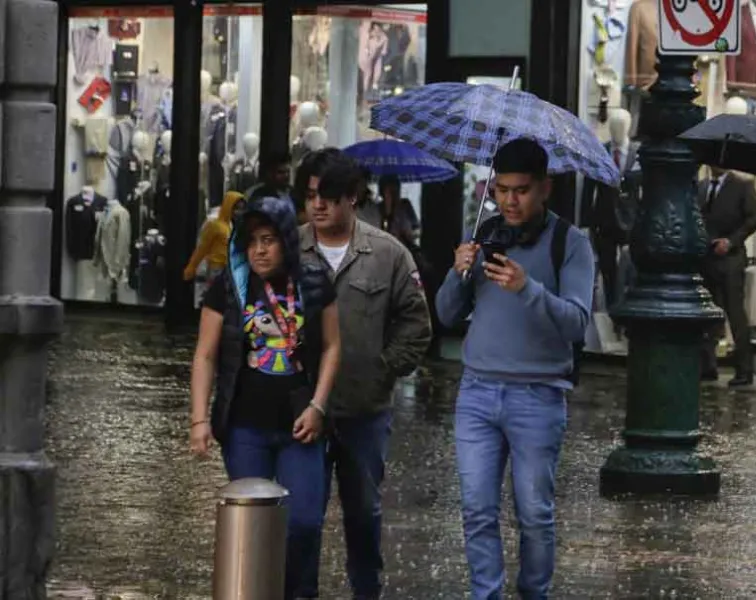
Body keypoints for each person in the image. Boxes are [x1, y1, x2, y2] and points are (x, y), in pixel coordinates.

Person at [434, 138, 595, 599]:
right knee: (476, 508)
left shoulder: (571, 243)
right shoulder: (485, 235)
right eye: (501, 189)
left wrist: (528, 288)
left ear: (544, 188)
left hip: (538, 396)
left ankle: (533, 594)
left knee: (534, 513)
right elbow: (445, 314)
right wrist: (456, 270)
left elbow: (578, 323)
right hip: (477, 393)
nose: (509, 200)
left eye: (521, 190)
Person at [188, 195, 341, 600]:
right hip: (245, 428)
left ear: (287, 241)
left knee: (305, 522)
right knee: (250, 525)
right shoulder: (230, 286)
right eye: (252, 239)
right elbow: (204, 354)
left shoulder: (313, 280)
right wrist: (199, 420)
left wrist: (318, 405)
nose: (259, 249)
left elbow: (331, 347)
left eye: (269, 239)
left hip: (301, 427)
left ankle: (297, 593)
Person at [297, 151, 432, 599]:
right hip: (301, 411)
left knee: (363, 513)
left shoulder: (388, 254)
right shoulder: (289, 248)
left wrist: (383, 368)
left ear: (352, 198)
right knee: (302, 516)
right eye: (311, 195)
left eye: (330, 197)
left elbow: (417, 324)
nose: (319, 206)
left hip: (364, 410)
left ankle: (366, 592)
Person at [699, 167, 756, 387]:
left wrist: (731, 241)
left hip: (731, 259)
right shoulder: (701, 187)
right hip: (705, 258)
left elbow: (754, 218)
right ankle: (707, 366)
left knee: (735, 314)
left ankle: (744, 370)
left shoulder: (742, 185)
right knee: (707, 315)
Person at [183, 190, 243, 282]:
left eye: (241, 209)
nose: (239, 212)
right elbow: (203, 247)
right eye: (236, 208)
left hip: (229, 269)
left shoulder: (232, 225)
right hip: (216, 269)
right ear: (229, 207)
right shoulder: (214, 224)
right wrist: (191, 267)